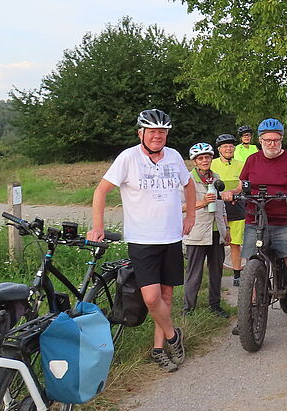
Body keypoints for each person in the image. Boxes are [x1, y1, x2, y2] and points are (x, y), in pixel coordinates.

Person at [88, 109, 194, 373]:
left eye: (162, 132)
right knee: (150, 297)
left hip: (171, 237)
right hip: (142, 239)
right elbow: (101, 191)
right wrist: (97, 227)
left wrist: (190, 214)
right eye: (152, 131)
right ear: (141, 133)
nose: (158, 136)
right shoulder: (128, 158)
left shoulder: (174, 157)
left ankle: (158, 349)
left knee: (167, 296)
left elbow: (189, 185)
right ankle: (173, 336)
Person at [236, 118, 287, 330]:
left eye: (276, 140)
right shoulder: (252, 160)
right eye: (267, 140)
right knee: (251, 263)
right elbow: (243, 186)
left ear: (282, 139)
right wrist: (231, 193)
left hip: (285, 220)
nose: (272, 144)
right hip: (255, 219)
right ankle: (246, 315)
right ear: (260, 140)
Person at [182, 143, 230, 317]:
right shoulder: (187, 180)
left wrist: (227, 228)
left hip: (217, 231)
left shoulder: (216, 177)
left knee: (216, 271)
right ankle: (188, 309)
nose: (204, 161)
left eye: (207, 157)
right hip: (197, 231)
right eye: (200, 158)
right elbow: (179, 207)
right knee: (194, 272)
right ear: (194, 161)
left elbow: (221, 205)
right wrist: (202, 203)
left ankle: (215, 305)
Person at [211, 133, 248, 287]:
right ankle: (215, 275)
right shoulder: (212, 164)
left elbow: (242, 185)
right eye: (225, 146)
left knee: (235, 243)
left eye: (231, 146)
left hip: (236, 206)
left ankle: (237, 274)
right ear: (219, 149)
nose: (228, 149)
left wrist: (232, 193)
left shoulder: (241, 164)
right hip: (218, 208)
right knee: (217, 244)